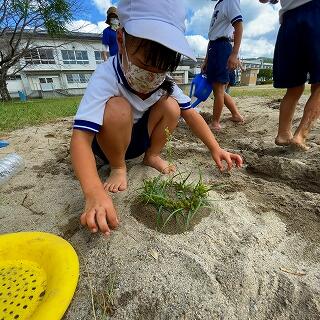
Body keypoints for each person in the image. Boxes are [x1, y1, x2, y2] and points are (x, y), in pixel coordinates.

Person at [70, 0, 243, 236]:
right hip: (108, 143)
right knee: (118, 108)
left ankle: (152, 156)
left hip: (139, 141)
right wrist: (93, 192)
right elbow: (80, 138)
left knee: (172, 106)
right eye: (145, 63)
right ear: (121, 41)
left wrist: (216, 148)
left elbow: (190, 115)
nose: (152, 76)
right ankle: (118, 167)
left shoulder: (163, 82)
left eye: (161, 68)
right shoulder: (105, 76)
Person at [260, 0, 320, 150]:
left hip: (289, 20)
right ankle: (300, 136)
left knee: (294, 87)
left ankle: (283, 134)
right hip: (315, 12)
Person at [202, 0, 244, 131]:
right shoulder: (218, 5)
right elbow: (212, 37)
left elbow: (239, 26)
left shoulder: (229, 1)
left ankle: (215, 123)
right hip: (214, 47)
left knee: (219, 87)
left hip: (222, 47)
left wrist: (234, 54)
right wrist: (206, 59)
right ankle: (236, 115)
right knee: (217, 88)